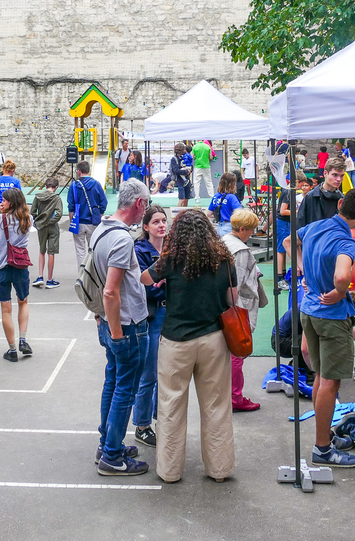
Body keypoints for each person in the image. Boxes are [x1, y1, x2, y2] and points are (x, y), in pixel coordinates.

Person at [142, 208, 236, 483]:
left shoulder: (170, 260)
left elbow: (144, 279)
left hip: (176, 340)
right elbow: (232, 299)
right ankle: (219, 469)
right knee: (216, 406)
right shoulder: (223, 259)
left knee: (171, 405)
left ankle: (170, 471)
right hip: (214, 339)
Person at [292, 187, 355, 468]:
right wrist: (340, 292)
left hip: (309, 311)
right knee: (330, 382)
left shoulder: (315, 226)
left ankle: (323, 434)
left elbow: (291, 241)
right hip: (331, 316)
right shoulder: (345, 241)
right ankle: (323, 449)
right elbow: (342, 275)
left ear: (340, 204)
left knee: (320, 376)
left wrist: (304, 269)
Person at [92, 179, 152, 476]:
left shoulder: (103, 229)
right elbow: (110, 291)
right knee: (124, 389)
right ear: (139, 204)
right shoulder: (122, 239)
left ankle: (108, 443)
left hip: (110, 320)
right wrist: (117, 332)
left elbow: (96, 281)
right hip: (125, 325)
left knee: (113, 383)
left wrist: (103, 319)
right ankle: (112, 456)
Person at [221, 208, 268, 412]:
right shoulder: (240, 251)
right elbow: (237, 282)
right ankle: (235, 397)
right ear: (242, 229)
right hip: (238, 307)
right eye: (250, 230)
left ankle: (229, 395)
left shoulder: (223, 241)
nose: (252, 234)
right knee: (237, 353)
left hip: (226, 305)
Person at [0, 187, 34, 361]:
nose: (0, 202)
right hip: (20, 265)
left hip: (1, 267)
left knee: (6, 309)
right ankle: (23, 339)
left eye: (3, 200)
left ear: (11, 202)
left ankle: (12, 350)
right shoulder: (27, 219)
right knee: (23, 301)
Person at [132, 204, 168, 448]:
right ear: (146, 227)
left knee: (167, 373)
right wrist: (162, 284)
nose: (162, 225)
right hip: (152, 316)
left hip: (171, 315)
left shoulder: (173, 249)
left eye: (164, 220)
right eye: (156, 221)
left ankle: (161, 419)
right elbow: (142, 288)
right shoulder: (140, 250)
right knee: (149, 375)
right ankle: (142, 425)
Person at [67, 160, 107, 268]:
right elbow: (103, 202)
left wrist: (72, 221)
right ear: (88, 171)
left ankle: (82, 275)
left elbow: (71, 206)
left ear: (79, 172)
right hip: (93, 222)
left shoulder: (74, 186)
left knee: (80, 250)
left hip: (78, 221)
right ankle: (92, 274)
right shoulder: (97, 184)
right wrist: (100, 214)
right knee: (93, 249)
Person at [297, 155, 346, 227]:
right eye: (335, 175)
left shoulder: (342, 199)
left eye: (341, 176)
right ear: (325, 173)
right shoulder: (310, 197)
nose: (339, 179)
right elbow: (300, 225)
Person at [31, 177, 63, 289]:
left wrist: (39, 221)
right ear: (56, 188)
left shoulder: (38, 197)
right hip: (52, 227)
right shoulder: (57, 198)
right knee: (51, 252)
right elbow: (59, 214)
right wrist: (49, 221)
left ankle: (40, 276)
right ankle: (50, 279)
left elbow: (32, 212)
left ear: (45, 186)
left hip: (41, 227)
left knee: (41, 250)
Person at [208, 172, 242, 237]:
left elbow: (209, 214)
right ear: (232, 184)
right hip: (229, 227)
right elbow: (239, 213)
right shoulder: (231, 197)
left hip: (219, 228)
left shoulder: (216, 196)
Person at [169, 142, 193, 207]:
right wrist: (186, 171)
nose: (185, 150)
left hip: (187, 180)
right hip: (180, 181)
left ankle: (185, 212)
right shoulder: (174, 159)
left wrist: (190, 170)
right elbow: (176, 170)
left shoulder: (185, 157)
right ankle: (177, 213)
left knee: (186, 199)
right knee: (182, 199)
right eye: (184, 149)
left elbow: (191, 165)